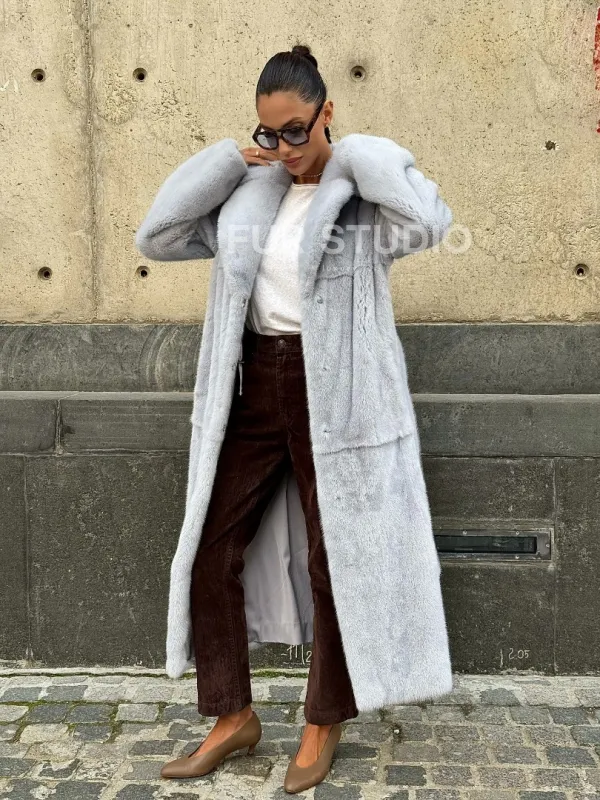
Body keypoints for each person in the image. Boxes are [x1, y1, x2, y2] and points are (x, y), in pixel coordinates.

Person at [135, 43, 454, 794]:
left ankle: (322, 721)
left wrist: (358, 153)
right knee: (212, 547)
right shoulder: (251, 193)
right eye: (269, 132)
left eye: (296, 130)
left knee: (333, 557)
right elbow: (158, 236)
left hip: (333, 392)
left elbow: (430, 220)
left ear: (326, 113)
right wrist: (227, 162)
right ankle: (232, 715)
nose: (283, 146)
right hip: (253, 383)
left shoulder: (361, 202)